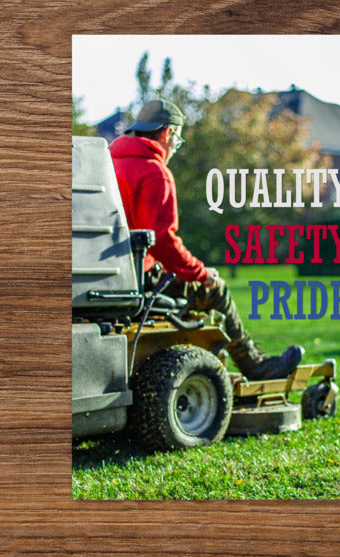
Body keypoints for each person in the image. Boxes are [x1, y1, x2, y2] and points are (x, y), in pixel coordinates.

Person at [109, 98, 304, 381]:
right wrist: (201, 274)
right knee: (217, 289)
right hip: (140, 283)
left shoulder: (108, 165)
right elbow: (162, 241)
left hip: (113, 279)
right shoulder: (155, 172)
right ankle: (257, 367)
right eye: (177, 139)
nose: (175, 146)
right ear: (167, 134)